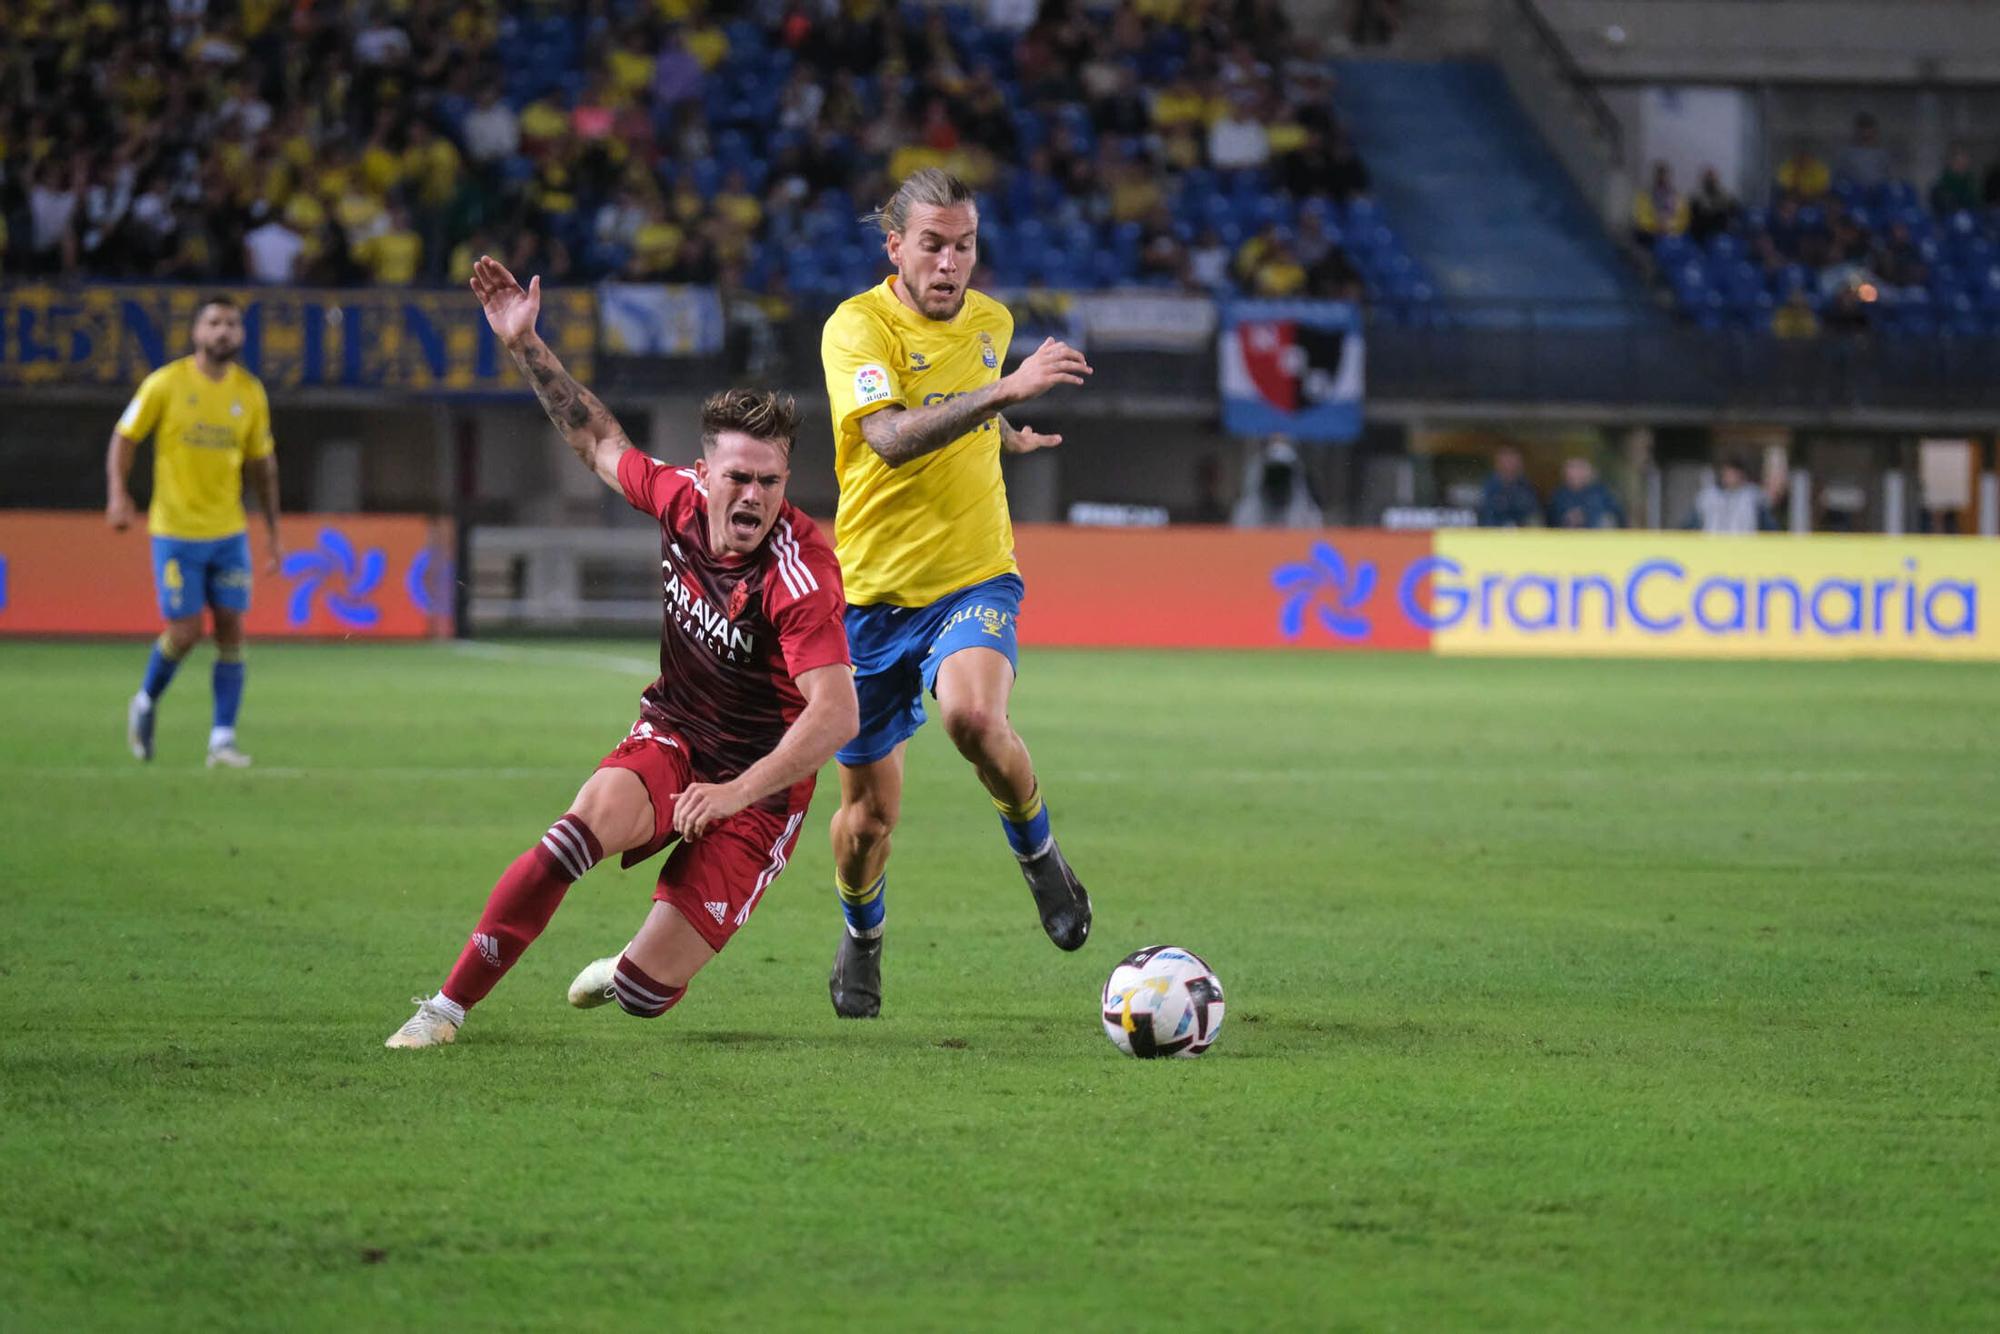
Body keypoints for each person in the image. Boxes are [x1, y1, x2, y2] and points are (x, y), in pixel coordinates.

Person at [386, 257, 858, 1049]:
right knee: (574, 833)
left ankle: (630, 970)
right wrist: (526, 345)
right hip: (674, 733)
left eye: (771, 482)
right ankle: (444, 1009)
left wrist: (738, 792)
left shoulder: (801, 574)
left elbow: (837, 712)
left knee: (644, 995)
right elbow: (598, 439)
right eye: (739, 477)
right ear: (704, 473)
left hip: (761, 790)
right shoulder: (675, 496)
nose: (754, 497)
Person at [817, 167, 1094, 1020]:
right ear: (894, 246)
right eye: (932, 245)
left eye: (964, 245)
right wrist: (1006, 392)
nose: (950, 263)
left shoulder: (992, 321)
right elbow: (893, 436)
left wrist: (1005, 435)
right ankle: (863, 938)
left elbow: (960, 401)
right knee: (867, 820)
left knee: (973, 718)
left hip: (974, 574)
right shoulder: (857, 329)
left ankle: (1040, 854)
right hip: (869, 599)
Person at [108, 296, 281, 768]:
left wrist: (273, 531)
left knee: (231, 629)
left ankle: (221, 740)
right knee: (185, 632)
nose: (223, 331)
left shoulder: (250, 393)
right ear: (196, 333)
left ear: (241, 335)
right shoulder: (166, 383)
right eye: (213, 323)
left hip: (228, 532)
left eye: (231, 323)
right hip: (176, 531)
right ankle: (145, 700)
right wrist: (118, 495)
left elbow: (263, 467)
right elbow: (124, 438)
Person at [1687, 455, 1780, 534]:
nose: (1730, 477)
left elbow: (1769, 526)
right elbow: (1692, 524)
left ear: (1742, 475)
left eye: (1734, 474)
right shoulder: (1708, 496)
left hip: (1744, 548)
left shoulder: (1753, 496)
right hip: (1712, 546)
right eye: (1727, 474)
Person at [1545, 457, 1625, 529]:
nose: (1575, 473)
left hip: (1597, 541)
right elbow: (1549, 522)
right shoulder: (1558, 495)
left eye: (1579, 468)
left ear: (1588, 471)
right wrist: (1567, 519)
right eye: (1571, 468)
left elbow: (1617, 517)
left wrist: (1588, 516)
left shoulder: (1602, 493)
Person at [1477, 446, 1540, 527]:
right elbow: (1483, 517)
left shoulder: (1527, 488)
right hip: (1492, 535)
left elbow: (1534, 516)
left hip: (1522, 536)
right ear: (1497, 462)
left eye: (1514, 459)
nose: (1510, 463)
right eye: (1506, 459)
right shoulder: (1486, 487)